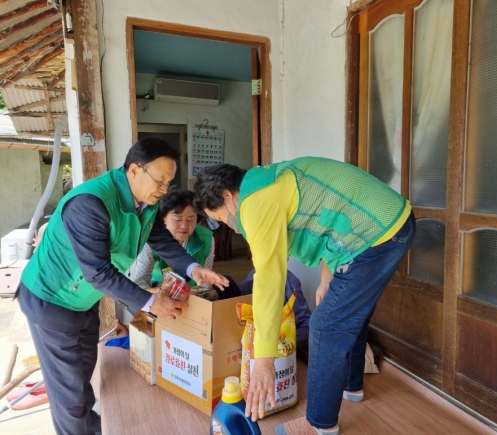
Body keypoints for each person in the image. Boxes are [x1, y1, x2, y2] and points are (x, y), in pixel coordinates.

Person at [16, 138, 228, 435]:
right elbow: (99, 272)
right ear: (134, 170)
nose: (164, 189)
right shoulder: (90, 204)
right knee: (67, 390)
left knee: (83, 370)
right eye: (160, 181)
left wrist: (194, 269)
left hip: (84, 299)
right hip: (51, 299)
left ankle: (88, 425)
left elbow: (161, 239)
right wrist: (152, 303)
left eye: (168, 183)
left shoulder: (146, 203)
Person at [193, 156, 414, 435]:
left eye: (219, 218)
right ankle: (351, 385)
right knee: (345, 312)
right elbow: (330, 225)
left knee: (325, 325)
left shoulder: (255, 202)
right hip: (386, 226)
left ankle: (320, 425)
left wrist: (263, 363)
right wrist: (327, 279)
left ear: (227, 195)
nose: (227, 224)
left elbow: (269, 280)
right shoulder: (268, 182)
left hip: (377, 233)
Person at [133, 189, 241, 299]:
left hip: (192, 295)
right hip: (159, 293)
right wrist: (161, 292)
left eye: (190, 219)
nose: (184, 226)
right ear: (162, 219)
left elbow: (204, 283)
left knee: (227, 284)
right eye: (177, 219)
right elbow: (141, 282)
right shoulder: (150, 239)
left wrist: (193, 294)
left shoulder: (206, 239)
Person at [239, 268, 311, 363]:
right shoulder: (250, 281)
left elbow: (306, 322)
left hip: (283, 346)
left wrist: (287, 342)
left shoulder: (288, 282)